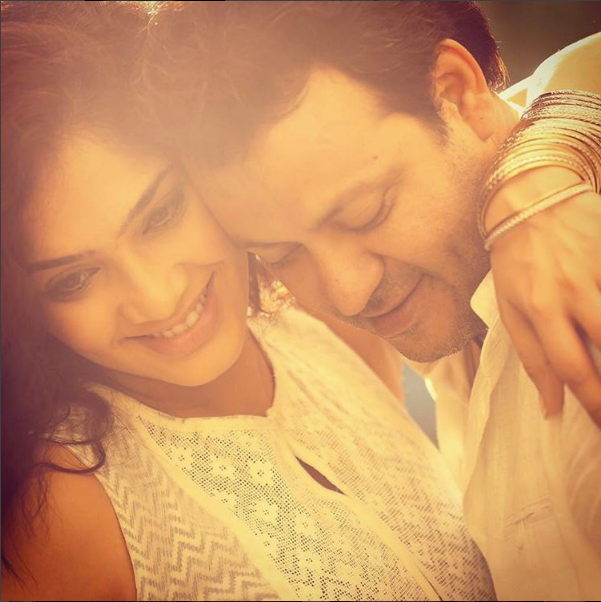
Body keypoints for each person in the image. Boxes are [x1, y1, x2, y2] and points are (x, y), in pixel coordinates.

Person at [0, 3, 497, 601]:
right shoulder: (62, 514)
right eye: (74, 279)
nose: (156, 297)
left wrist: (548, 171)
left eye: (160, 215)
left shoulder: (321, 309)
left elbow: (479, 123)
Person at [136, 2, 601, 600]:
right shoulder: (459, 292)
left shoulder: (582, 305)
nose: (347, 292)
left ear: (457, 94)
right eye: (282, 255)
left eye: (366, 213)